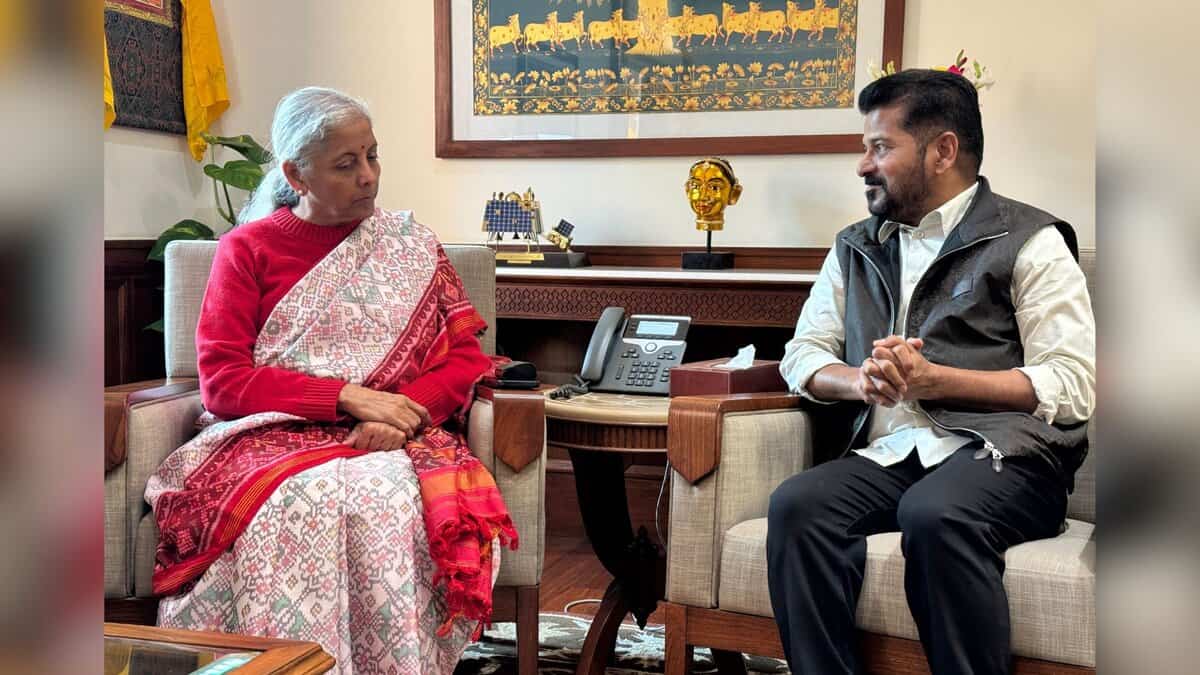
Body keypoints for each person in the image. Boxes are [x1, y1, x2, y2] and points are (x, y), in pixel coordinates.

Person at [145, 87, 516, 674]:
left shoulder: (411, 245)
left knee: (389, 501)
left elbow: (464, 359)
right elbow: (223, 380)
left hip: (394, 435)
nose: (368, 176)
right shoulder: (246, 250)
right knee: (289, 504)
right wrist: (347, 397)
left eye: (373, 156)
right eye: (347, 164)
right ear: (297, 174)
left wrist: (404, 412)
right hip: (270, 435)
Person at [768, 69, 1095, 674]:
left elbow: (1073, 385)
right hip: (895, 456)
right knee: (797, 506)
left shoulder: (1031, 240)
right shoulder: (854, 246)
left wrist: (938, 380)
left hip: (1008, 462)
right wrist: (861, 381)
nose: (863, 165)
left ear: (943, 150)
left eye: (881, 147)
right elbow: (803, 353)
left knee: (936, 513)